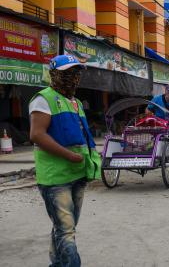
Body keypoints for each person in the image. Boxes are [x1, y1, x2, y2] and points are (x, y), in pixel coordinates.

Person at [29, 55, 101, 266]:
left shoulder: (76, 102)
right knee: (66, 230)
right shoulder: (44, 99)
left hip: (78, 174)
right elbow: (37, 135)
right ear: (55, 74)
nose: (74, 77)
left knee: (64, 228)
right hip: (55, 178)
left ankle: (56, 264)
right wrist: (69, 155)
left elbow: (81, 137)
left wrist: (90, 165)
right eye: (68, 73)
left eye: (77, 73)